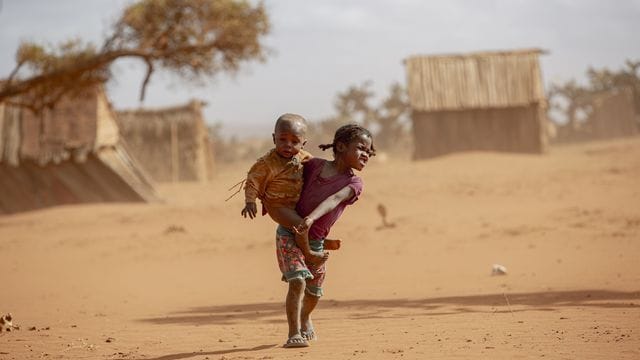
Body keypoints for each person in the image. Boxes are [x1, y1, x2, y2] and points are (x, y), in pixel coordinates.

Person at [275, 123, 375, 348]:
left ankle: (305, 316)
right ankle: (294, 333)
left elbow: (334, 199)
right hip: (289, 233)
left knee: (314, 292)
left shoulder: (354, 183)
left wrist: (309, 220)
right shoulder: (312, 166)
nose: (366, 155)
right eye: (361, 148)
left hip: (315, 242)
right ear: (340, 146)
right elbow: (282, 164)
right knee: (298, 280)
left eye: (369, 151)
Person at [241, 113, 332, 266]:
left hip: (295, 203)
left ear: (303, 143)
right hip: (277, 205)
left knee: (315, 219)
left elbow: (319, 166)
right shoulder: (267, 163)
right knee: (301, 224)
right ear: (274, 138)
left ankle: (315, 239)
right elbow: (253, 180)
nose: (288, 144)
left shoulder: (303, 157)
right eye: (282, 139)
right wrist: (250, 201)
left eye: (294, 141)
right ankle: (309, 253)